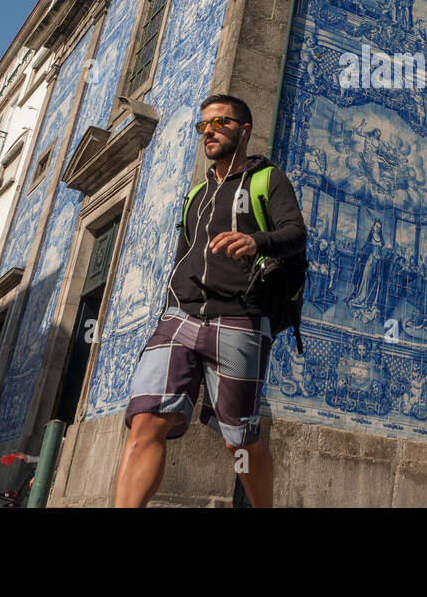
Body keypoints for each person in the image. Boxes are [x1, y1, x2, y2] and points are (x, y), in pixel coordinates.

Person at [114, 94, 307, 508]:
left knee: (237, 441)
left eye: (220, 123)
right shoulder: (197, 194)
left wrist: (256, 240)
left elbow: (296, 235)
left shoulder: (267, 180)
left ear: (244, 129)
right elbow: (187, 250)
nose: (210, 131)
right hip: (179, 316)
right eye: (204, 125)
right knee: (147, 420)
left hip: (240, 320)